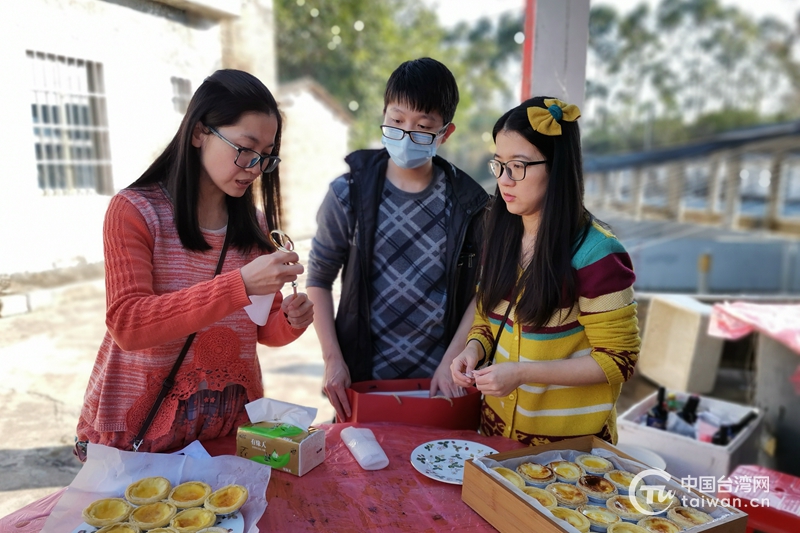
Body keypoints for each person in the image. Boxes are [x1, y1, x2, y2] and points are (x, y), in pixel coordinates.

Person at [76, 69, 314, 455]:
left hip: (225, 424)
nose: (255, 167)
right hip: (145, 428)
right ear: (200, 132)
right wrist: (240, 284)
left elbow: (261, 329)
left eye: (266, 156)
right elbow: (128, 324)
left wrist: (289, 320)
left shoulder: (254, 225)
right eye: (245, 148)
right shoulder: (136, 211)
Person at [307, 58, 489, 421]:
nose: (406, 135)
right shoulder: (348, 194)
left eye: (423, 127)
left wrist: (453, 360)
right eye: (397, 120)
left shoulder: (470, 205)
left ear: (445, 133)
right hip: (362, 382)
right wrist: (333, 360)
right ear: (384, 116)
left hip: (439, 386)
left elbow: (485, 291)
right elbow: (319, 279)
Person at [450, 97, 640, 446]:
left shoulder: (597, 254)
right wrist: (473, 349)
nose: (505, 180)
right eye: (499, 165)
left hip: (570, 454)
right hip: (496, 439)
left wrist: (523, 373)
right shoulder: (500, 235)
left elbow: (619, 360)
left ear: (557, 168)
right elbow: (487, 320)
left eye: (518, 166)